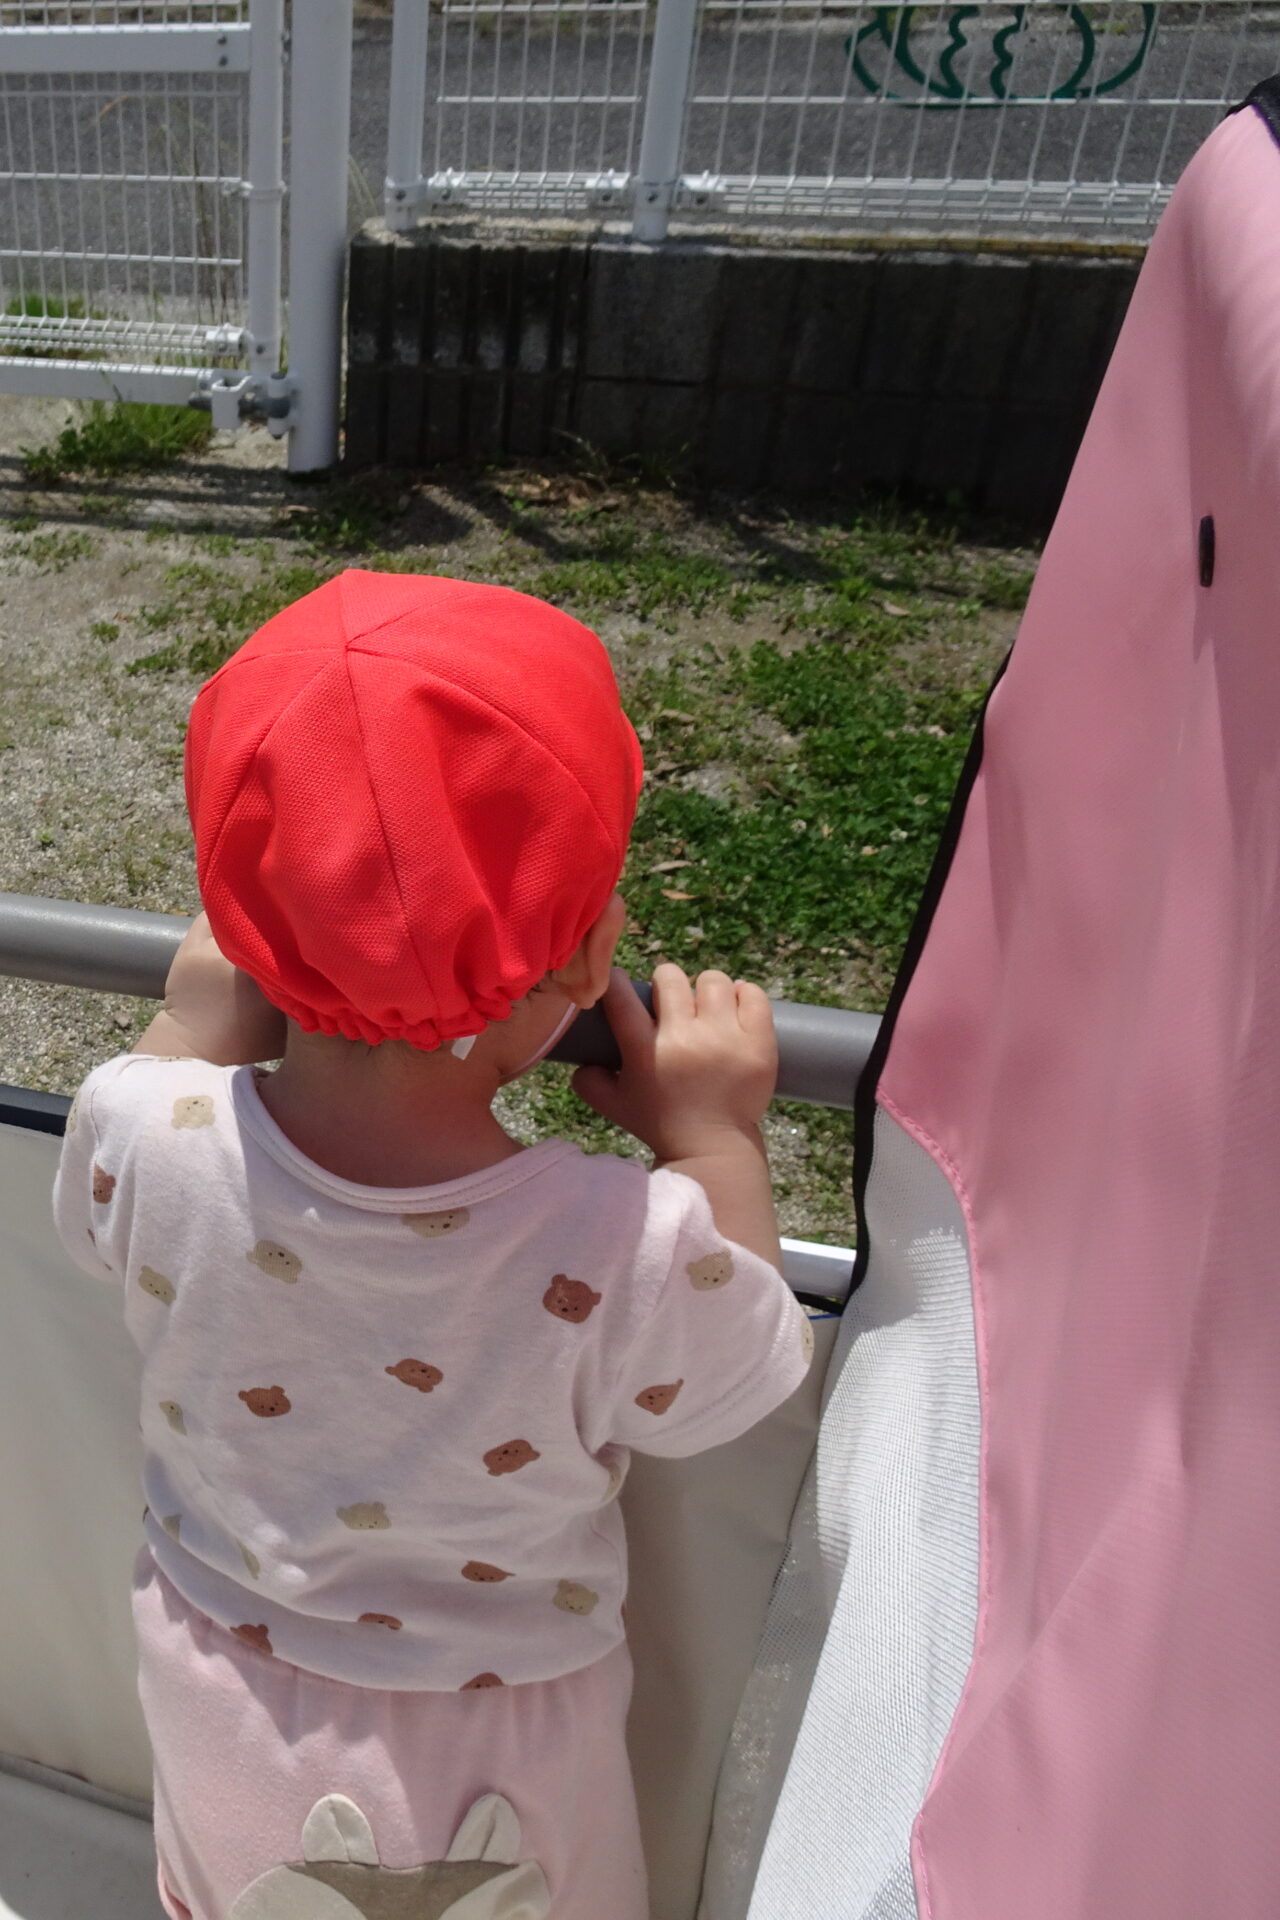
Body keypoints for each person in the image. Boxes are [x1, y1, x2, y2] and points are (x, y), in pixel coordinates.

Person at [52, 572, 811, 1919]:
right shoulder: (614, 1244)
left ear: (241, 929)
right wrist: (712, 1141)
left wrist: (198, 1015)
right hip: (496, 1742)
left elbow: (128, 1143)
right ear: (586, 960)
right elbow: (737, 1376)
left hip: (215, 1683)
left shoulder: (139, 1126)